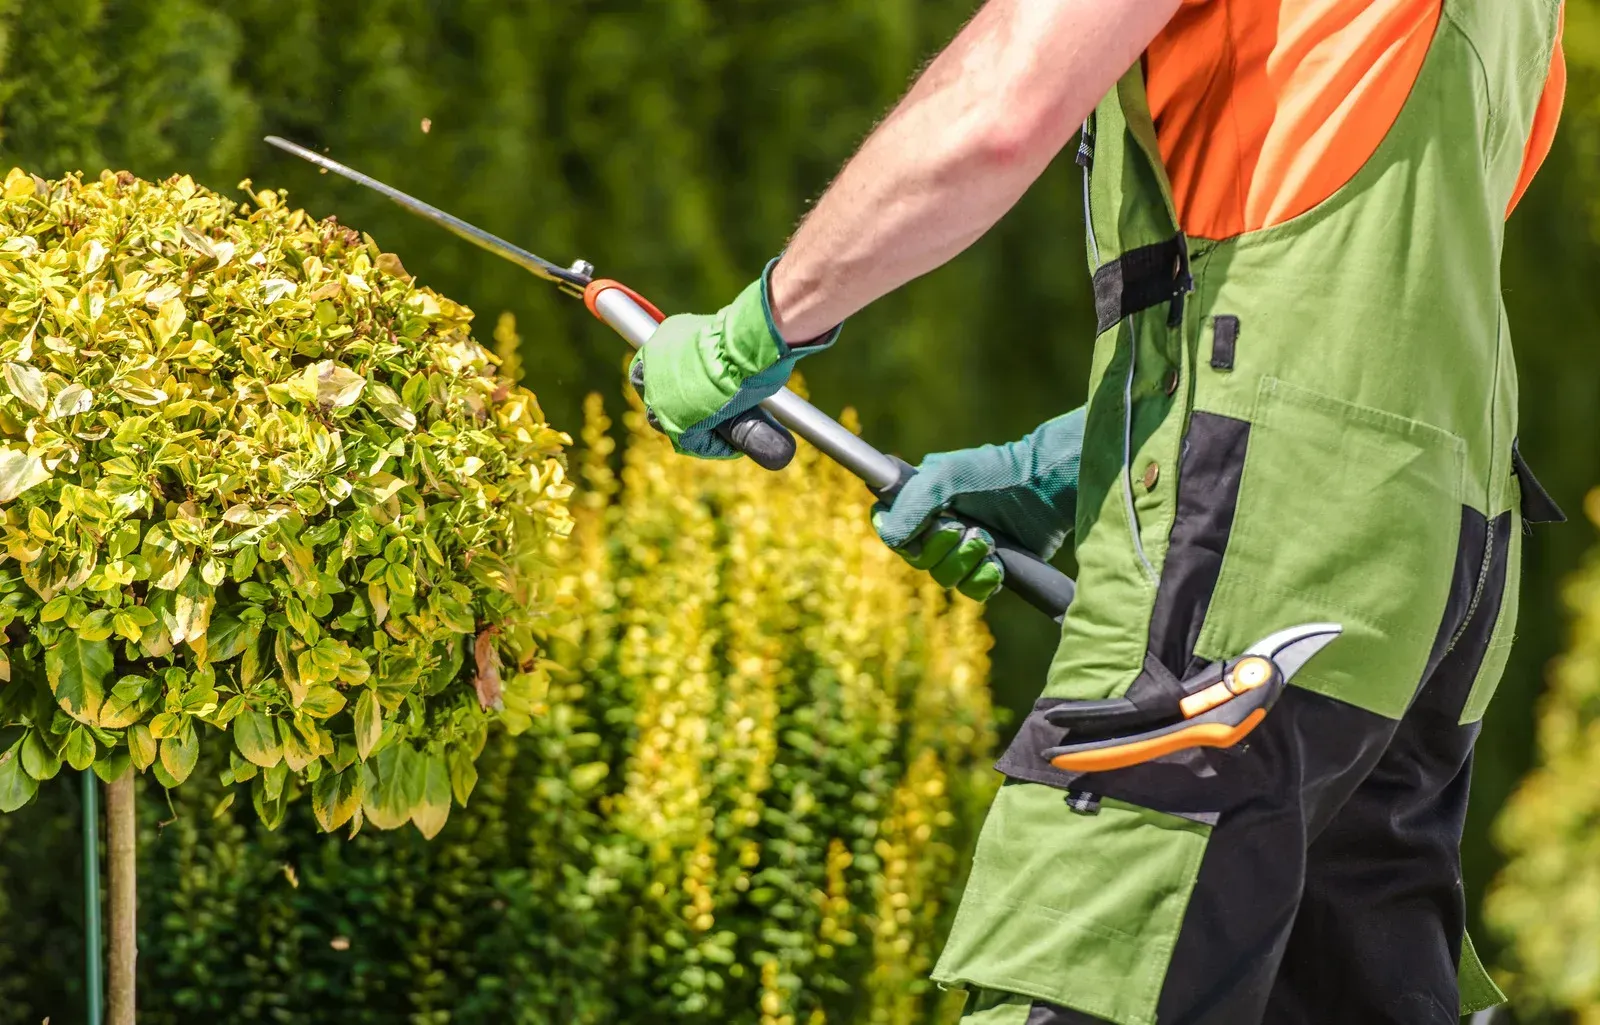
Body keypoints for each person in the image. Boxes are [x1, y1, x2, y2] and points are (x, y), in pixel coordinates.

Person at [629, 1, 1570, 1021]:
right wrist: (1083, 453)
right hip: (1440, 560)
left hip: (1263, 549)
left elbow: (996, 103)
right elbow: (1380, 259)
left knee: (1073, 983)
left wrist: (756, 327)